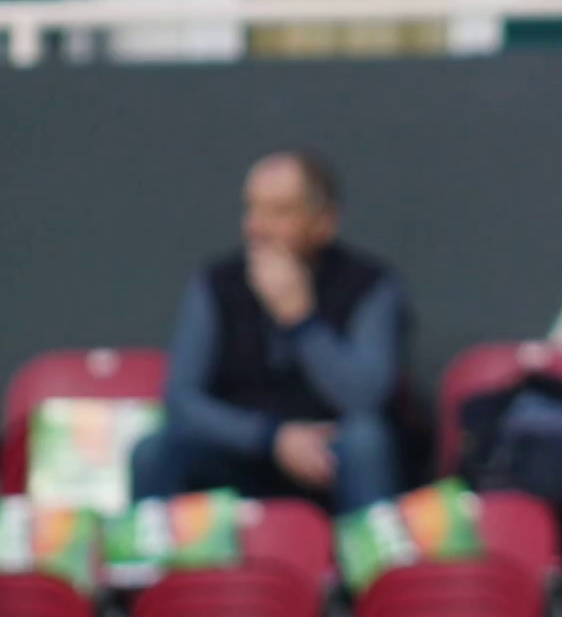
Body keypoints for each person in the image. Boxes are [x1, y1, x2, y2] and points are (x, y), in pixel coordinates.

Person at [131, 150, 413, 514]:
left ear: (323, 222)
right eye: (252, 209)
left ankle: (370, 569)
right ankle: (156, 567)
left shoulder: (371, 286)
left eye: (279, 212)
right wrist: (272, 438)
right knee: (155, 449)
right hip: (244, 451)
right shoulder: (217, 284)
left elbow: (365, 398)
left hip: (330, 456)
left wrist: (301, 322)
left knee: (366, 439)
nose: (257, 227)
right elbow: (182, 400)